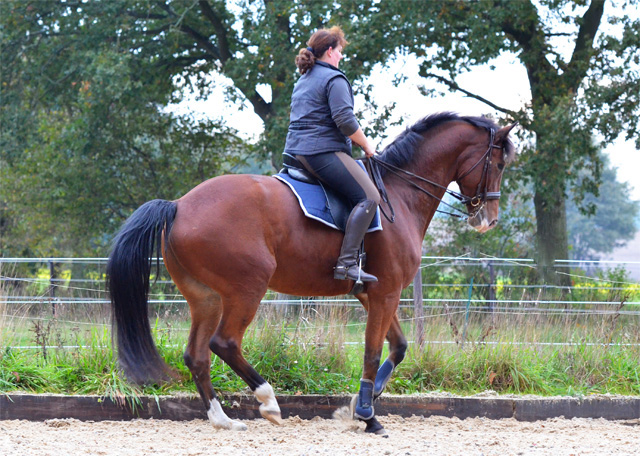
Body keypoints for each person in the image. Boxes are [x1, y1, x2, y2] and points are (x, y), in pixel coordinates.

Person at [284, 26, 381, 283]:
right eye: (339, 52)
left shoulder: (304, 79)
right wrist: (368, 147)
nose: (341, 57)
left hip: (294, 152)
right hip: (322, 152)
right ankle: (347, 264)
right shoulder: (334, 79)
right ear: (330, 51)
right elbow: (345, 121)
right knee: (370, 196)